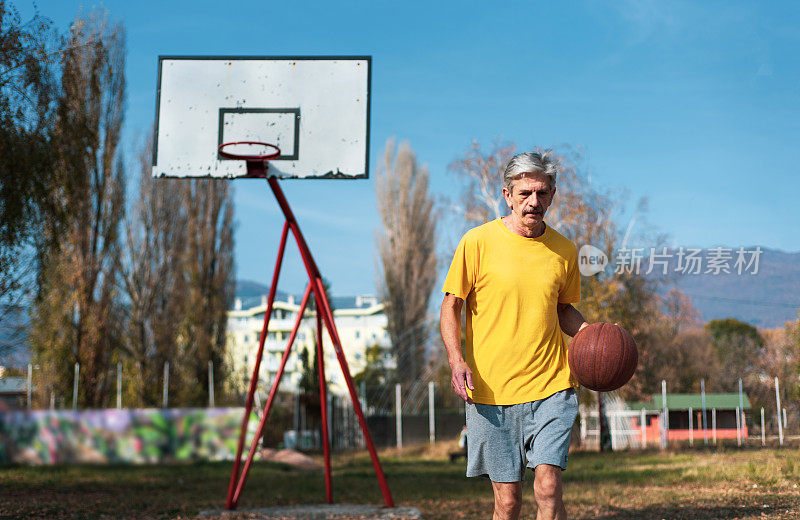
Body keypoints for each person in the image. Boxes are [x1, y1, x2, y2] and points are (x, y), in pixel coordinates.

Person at [440, 152, 589, 520]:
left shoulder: (565, 251)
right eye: (524, 194)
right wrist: (456, 360)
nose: (533, 202)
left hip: (552, 386)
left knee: (548, 488)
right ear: (508, 195)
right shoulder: (477, 242)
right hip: (491, 392)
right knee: (508, 503)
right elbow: (450, 306)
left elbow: (563, 310)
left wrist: (591, 334)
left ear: (553, 194)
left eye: (541, 193)